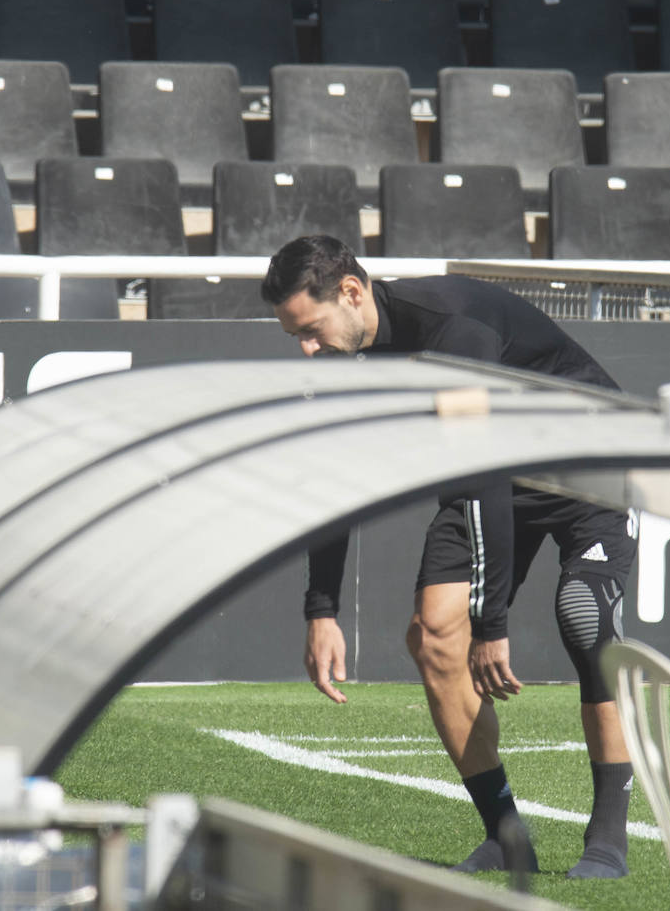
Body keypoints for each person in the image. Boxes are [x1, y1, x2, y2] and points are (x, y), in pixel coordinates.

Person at [260, 235, 637, 879]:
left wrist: (491, 626)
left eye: (311, 330)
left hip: (586, 462)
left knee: (584, 616)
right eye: (295, 336)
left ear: (351, 292)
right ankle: (506, 837)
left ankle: (607, 840)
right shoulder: (342, 363)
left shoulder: (451, 330)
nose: (307, 348)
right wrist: (321, 609)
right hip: (497, 475)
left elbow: (482, 473)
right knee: (434, 638)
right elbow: (334, 478)